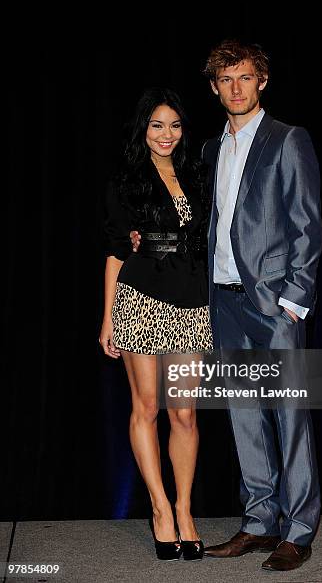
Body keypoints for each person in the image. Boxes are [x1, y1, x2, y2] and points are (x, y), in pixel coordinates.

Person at [200, 39, 322, 572]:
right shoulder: (209, 150)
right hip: (222, 303)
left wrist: (295, 298)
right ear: (214, 87)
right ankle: (258, 521)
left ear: (262, 81)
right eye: (226, 79)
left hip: (272, 306)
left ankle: (298, 528)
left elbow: (307, 222)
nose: (236, 88)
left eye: (245, 77)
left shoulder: (287, 140)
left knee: (289, 416)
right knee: (243, 415)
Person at [99, 87, 212, 561]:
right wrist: (108, 317)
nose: (166, 135)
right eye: (157, 125)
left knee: (183, 412)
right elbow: (116, 250)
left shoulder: (198, 173)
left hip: (190, 304)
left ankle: (185, 508)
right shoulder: (126, 180)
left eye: (175, 125)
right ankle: (160, 508)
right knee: (146, 406)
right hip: (140, 300)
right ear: (143, 129)